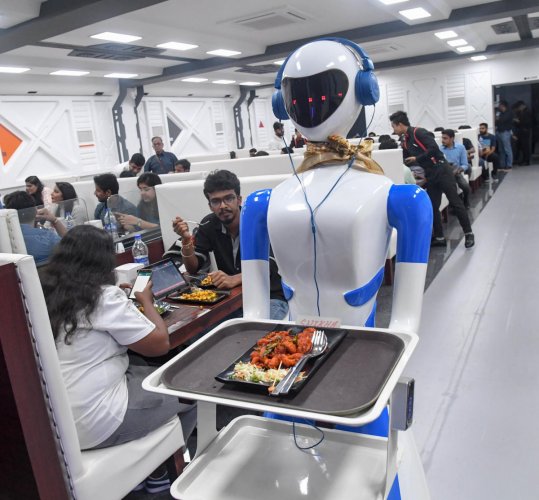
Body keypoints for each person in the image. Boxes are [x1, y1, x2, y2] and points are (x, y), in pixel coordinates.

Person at [41, 225, 196, 492]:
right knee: (190, 392)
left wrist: (121, 300)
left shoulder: (50, 295)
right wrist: (145, 301)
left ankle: (147, 464)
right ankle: (161, 472)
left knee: (143, 367)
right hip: (98, 420)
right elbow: (160, 344)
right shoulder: (102, 297)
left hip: (58, 419)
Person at [172, 169, 288, 320]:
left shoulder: (258, 221)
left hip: (270, 297)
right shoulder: (208, 224)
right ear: (210, 205)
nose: (223, 206)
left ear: (239, 200)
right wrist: (186, 241)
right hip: (231, 301)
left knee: (257, 330)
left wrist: (235, 279)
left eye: (228, 198)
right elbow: (193, 268)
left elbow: (271, 265)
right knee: (201, 329)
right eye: (216, 201)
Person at [390, 110, 474, 248]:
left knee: (455, 202)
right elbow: (406, 158)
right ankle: (440, 237)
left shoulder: (419, 132)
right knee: (432, 206)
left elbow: (434, 149)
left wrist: (417, 158)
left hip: (442, 170)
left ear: (400, 124)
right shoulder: (405, 140)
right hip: (430, 174)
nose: (393, 130)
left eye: (393, 126)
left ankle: (469, 233)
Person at [4, 190, 66, 264]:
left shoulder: (5, 238)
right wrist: (55, 220)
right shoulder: (48, 238)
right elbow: (70, 245)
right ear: (35, 210)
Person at [440, 129, 471, 209]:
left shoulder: (460, 147)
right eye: (442, 138)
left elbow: (465, 164)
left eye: (445, 138)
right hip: (444, 173)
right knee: (449, 188)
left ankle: (465, 201)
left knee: (465, 187)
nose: (443, 140)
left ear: (452, 138)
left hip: (456, 171)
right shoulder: (440, 149)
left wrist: (458, 170)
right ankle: (455, 205)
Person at [495, 100, 513, 169]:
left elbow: (503, 120)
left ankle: (509, 164)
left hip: (505, 132)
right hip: (499, 132)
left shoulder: (509, 113)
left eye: (499, 105)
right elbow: (497, 121)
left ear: (502, 105)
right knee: (501, 149)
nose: (498, 106)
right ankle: (502, 164)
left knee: (507, 149)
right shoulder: (499, 113)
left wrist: (498, 118)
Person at [513, 101, 532, 166]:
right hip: (521, 131)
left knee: (525, 146)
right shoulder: (521, 112)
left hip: (525, 130)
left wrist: (519, 121)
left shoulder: (527, 112)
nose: (519, 109)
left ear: (522, 106)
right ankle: (523, 160)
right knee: (522, 146)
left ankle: (526, 160)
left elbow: (527, 122)